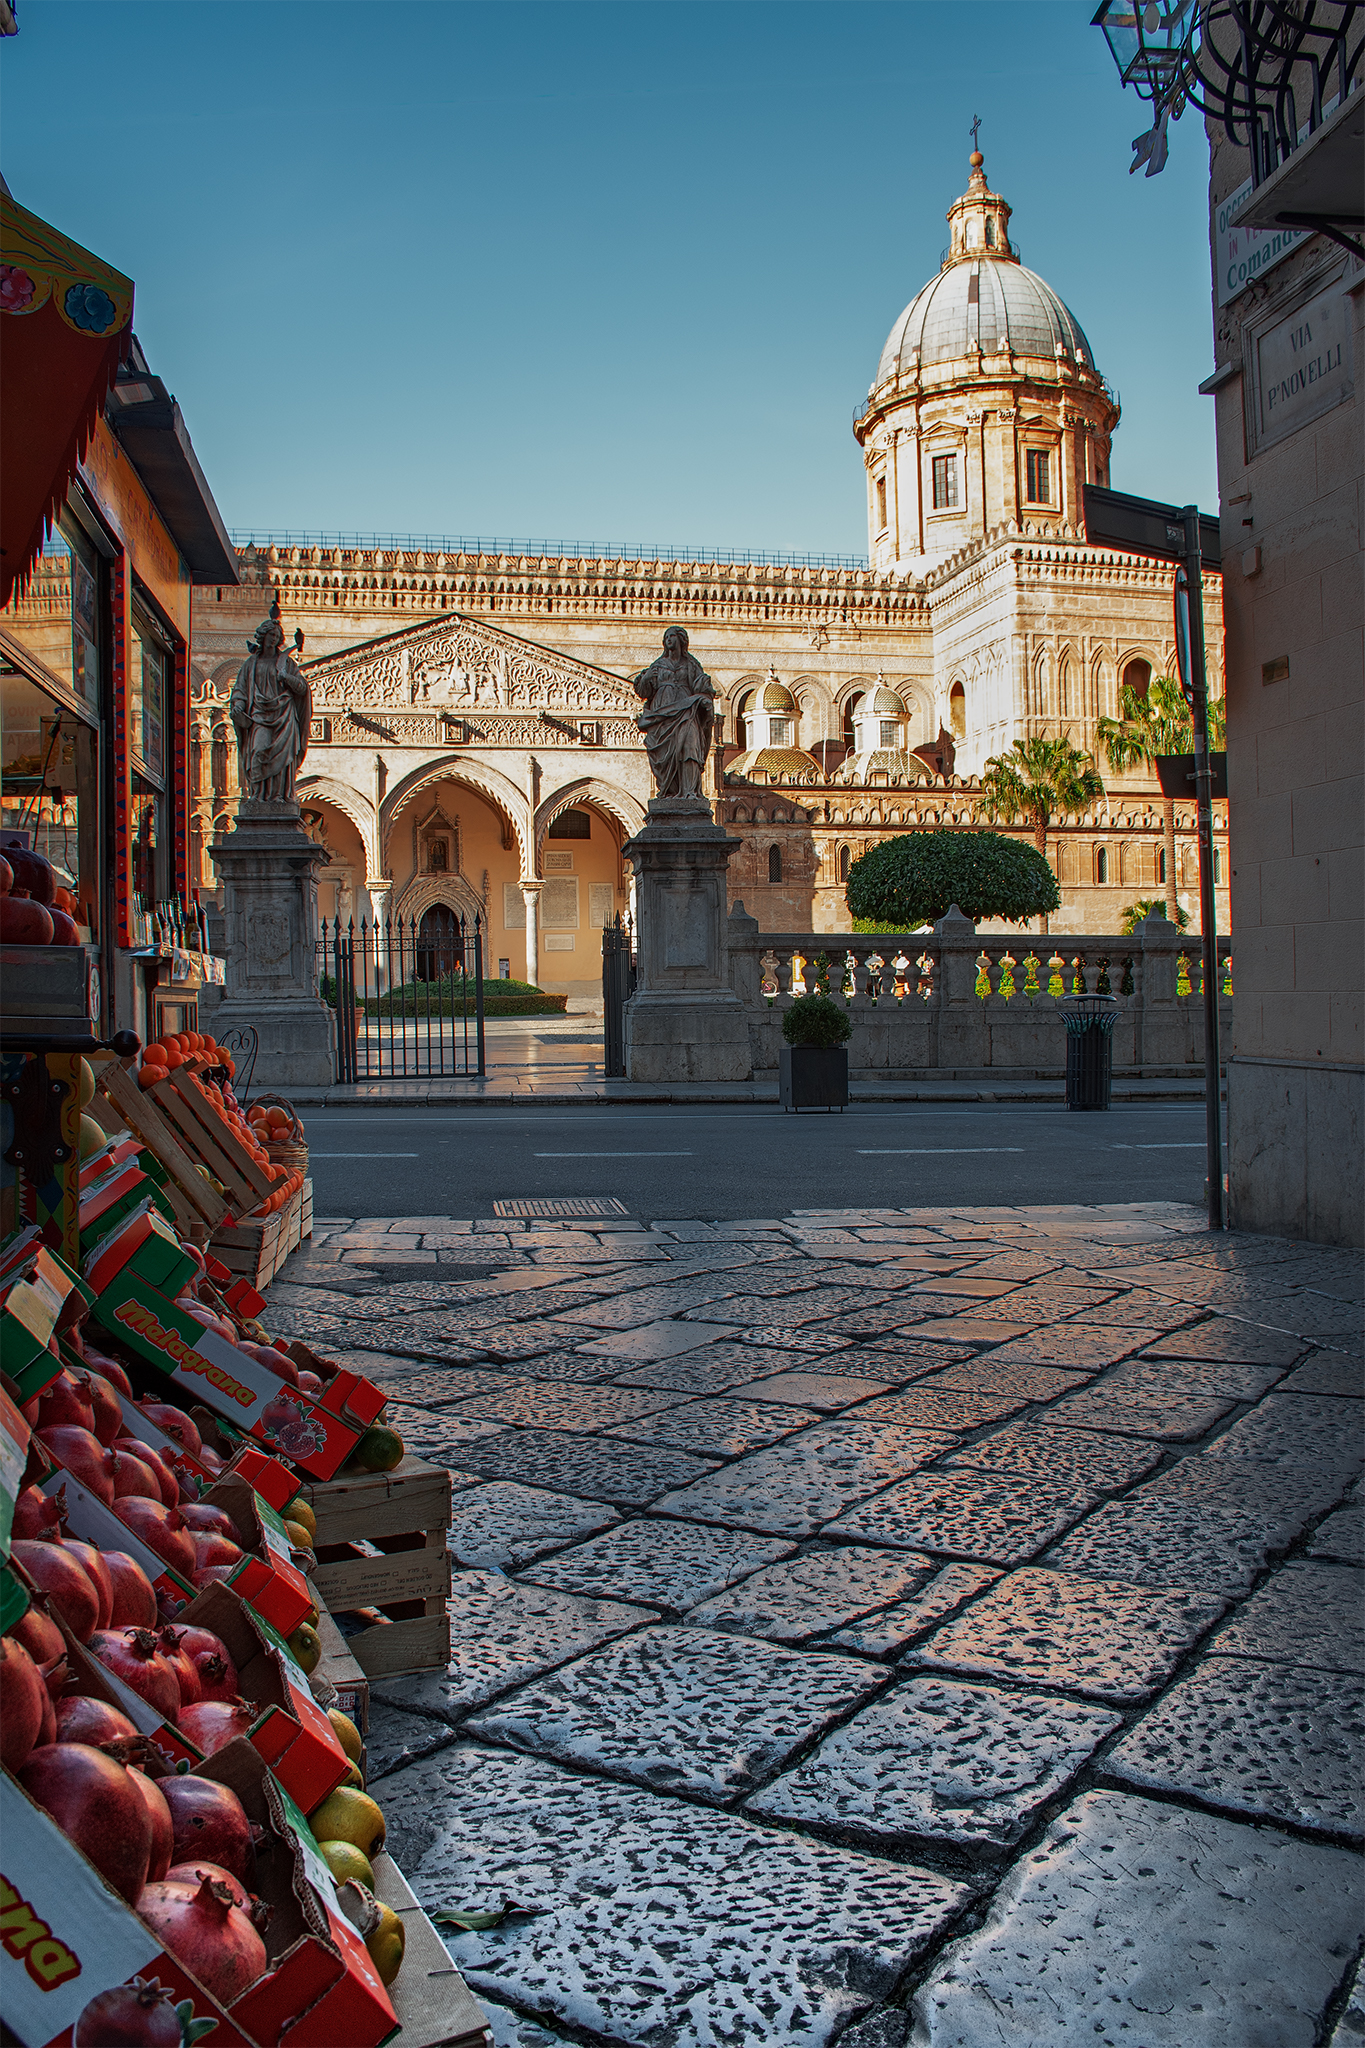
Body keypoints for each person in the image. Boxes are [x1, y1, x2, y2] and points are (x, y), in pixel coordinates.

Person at [230, 599, 311, 803]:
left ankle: (278, 796)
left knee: (283, 761)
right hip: (259, 715)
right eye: (270, 635)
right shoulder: (251, 664)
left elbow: (302, 688)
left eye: (277, 636)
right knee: (258, 750)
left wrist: (287, 678)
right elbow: (240, 689)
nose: (273, 639)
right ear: (262, 637)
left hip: (284, 715)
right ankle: (258, 795)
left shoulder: (287, 663)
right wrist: (238, 706)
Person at [631, 626, 716, 799]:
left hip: (687, 711)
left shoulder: (691, 664)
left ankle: (689, 791)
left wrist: (705, 695)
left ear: (681, 640)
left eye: (672, 636)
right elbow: (643, 691)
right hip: (662, 715)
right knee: (666, 754)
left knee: (690, 745)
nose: (669, 639)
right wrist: (646, 678)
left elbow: (702, 686)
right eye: (666, 637)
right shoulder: (658, 665)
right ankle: (670, 791)